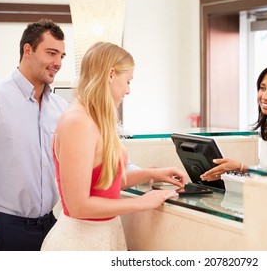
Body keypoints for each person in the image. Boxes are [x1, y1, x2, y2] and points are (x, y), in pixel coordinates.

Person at [40, 42, 187, 251]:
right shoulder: (78, 122)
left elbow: (104, 184)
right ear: (110, 74)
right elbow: (78, 205)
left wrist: (151, 174)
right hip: (79, 244)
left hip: (105, 235)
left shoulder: (94, 119)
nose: (128, 90)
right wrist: (142, 203)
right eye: (127, 81)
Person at [0, 19, 68, 250]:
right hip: (3, 228)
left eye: (61, 56)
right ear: (28, 50)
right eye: (51, 53)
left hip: (51, 227)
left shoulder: (61, 108)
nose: (57, 63)